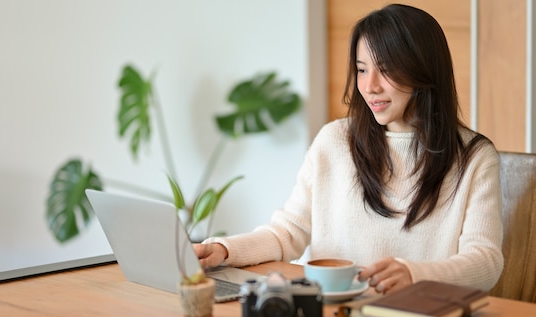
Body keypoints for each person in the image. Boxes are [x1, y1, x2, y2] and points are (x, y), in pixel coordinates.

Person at [195, 3, 503, 294]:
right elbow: (287, 233)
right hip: (332, 316)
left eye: (386, 69)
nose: (370, 86)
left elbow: (485, 262)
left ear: (423, 71)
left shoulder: (474, 158)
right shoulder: (334, 141)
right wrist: (224, 250)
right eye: (362, 70)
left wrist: (414, 274)